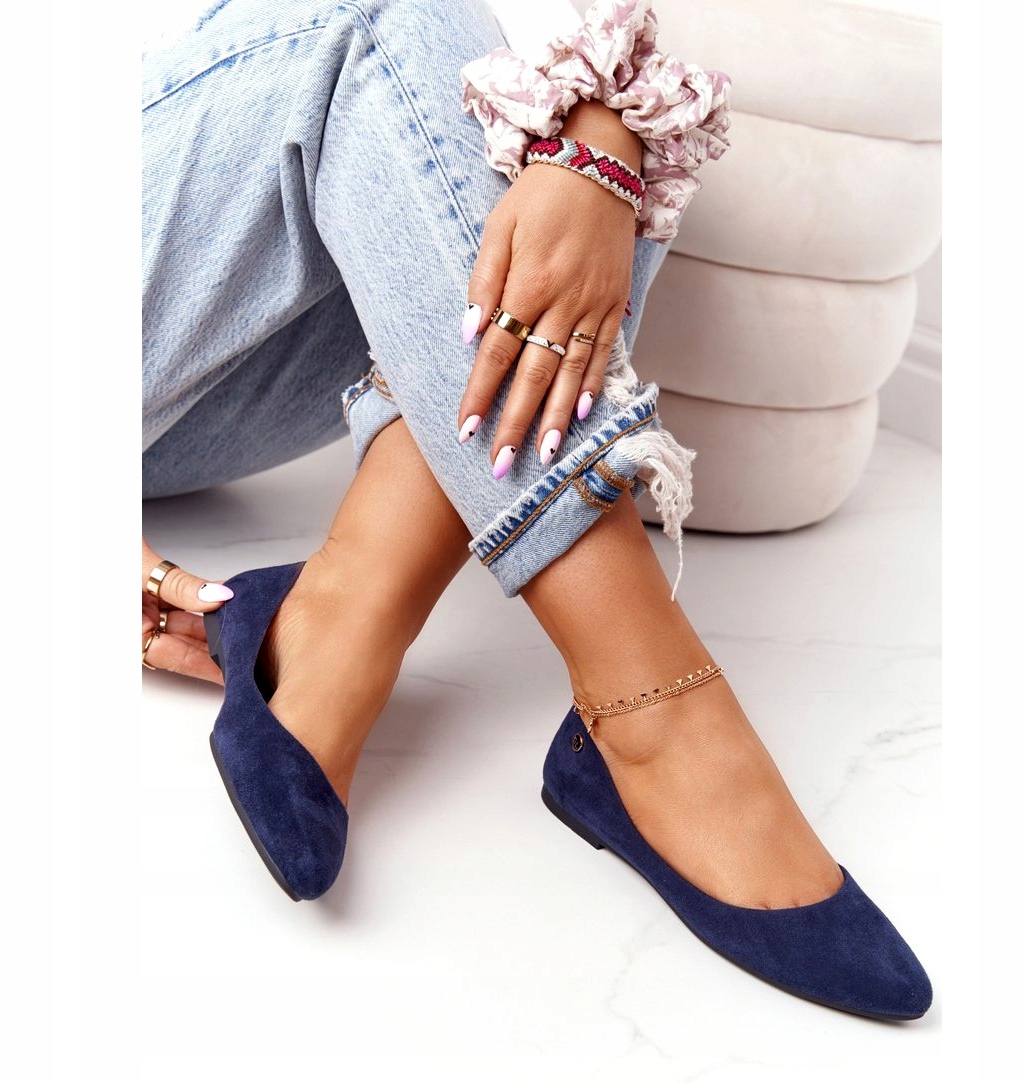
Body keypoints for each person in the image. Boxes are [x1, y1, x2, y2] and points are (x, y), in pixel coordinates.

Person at [142, 0, 932, 1020]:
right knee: (383, 21)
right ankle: (654, 709)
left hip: (200, 377)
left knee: (570, 174)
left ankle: (347, 605)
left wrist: (597, 146)